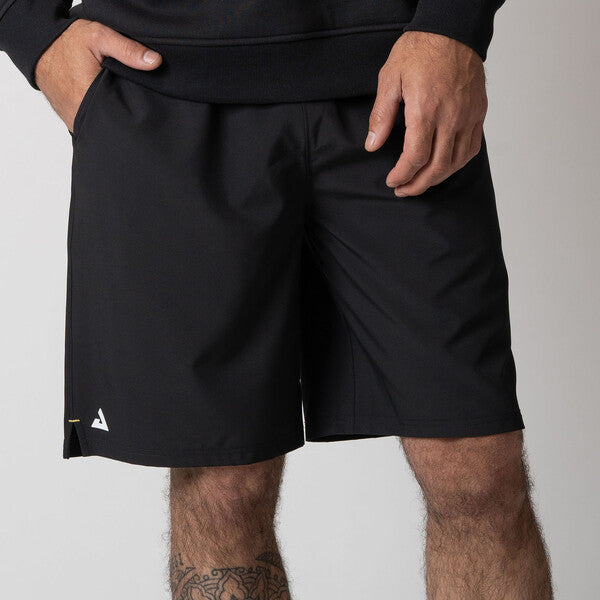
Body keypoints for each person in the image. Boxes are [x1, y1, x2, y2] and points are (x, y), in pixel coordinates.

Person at [0, 1, 554, 598]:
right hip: (166, 89)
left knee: (475, 473)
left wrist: (454, 23)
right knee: (222, 488)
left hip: (401, 82)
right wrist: (30, 29)